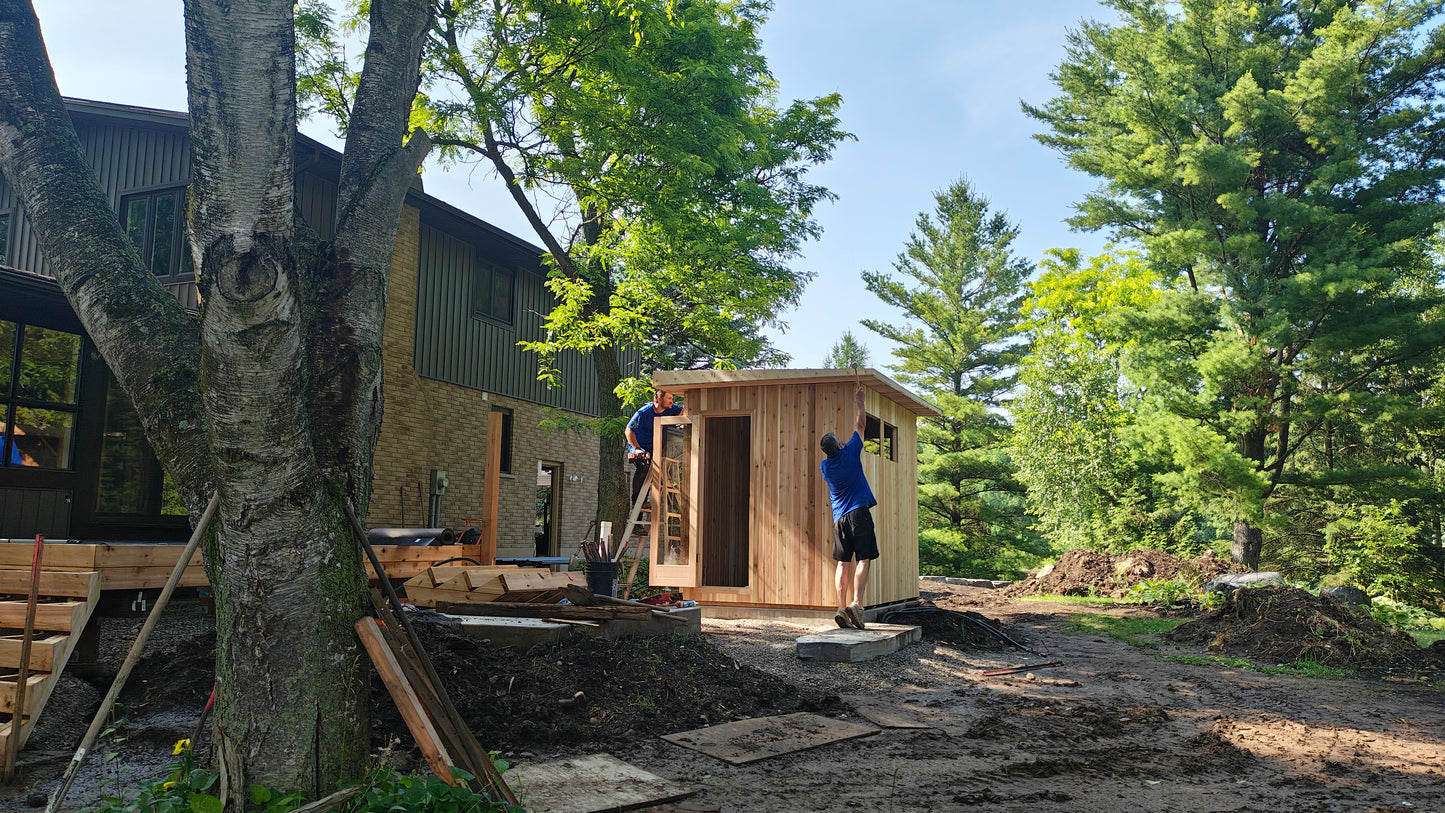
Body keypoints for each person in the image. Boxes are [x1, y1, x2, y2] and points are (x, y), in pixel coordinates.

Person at [819, 385, 877, 630]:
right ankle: (857, 604)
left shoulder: (826, 467)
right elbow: (861, 425)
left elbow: (848, 436)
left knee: (842, 563)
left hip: (839, 519)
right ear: (840, 445)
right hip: (859, 513)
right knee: (864, 559)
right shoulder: (851, 452)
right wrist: (860, 401)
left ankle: (840, 608)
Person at [625, 389, 683, 505]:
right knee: (643, 467)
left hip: (656, 450)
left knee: (662, 475)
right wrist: (637, 448)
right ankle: (637, 501)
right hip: (640, 448)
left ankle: (666, 504)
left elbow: (685, 411)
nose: (672, 401)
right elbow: (628, 430)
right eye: (669, 398)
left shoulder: (670, 409)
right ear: (659, 399)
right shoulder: (643, 413)